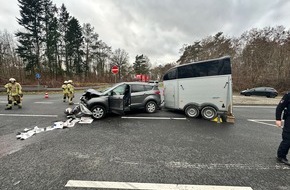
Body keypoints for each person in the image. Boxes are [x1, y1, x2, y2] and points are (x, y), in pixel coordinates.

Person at [276, 92, 290, 165]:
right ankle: (281, 156)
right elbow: (280, 107)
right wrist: (278, 119)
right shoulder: (288, 95)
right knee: (288, 139)